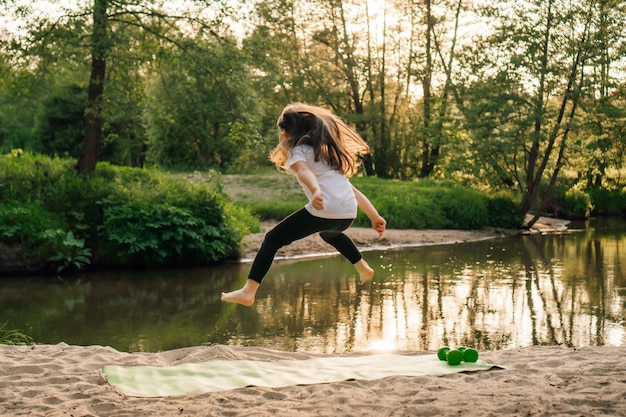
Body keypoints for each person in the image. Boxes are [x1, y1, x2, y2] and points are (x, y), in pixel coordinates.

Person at [221, 103, 386, 307]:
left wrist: (316, 190)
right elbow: (352, 190)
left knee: (272, 239)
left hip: (325, 209)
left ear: (286, 131)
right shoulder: (326, 153)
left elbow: (304, 171)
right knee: (329, 233)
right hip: (346, 214)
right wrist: (375, 216)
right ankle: (361, 266)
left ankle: (248, 291)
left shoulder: (299, 150)